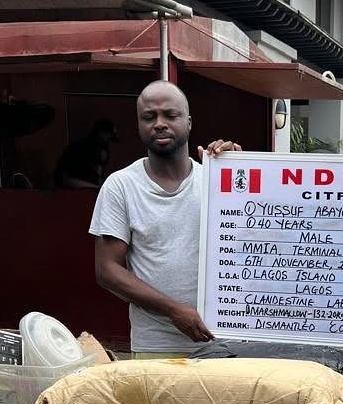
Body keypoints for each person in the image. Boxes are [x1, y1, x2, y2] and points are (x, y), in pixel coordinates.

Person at [90, 80, 240, 357]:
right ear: (139, 125)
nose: (159, 124)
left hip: (225, 343)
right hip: (156, 348)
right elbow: (107, 270)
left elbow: (255, 241)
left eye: (170, 115)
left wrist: (240, 173)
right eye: (149, 117)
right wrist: (173, 311)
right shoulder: (121, 186)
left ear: (189, 123)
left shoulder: (216, 180)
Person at [55, 118, 119, 189]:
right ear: (102, 133)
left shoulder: (100, 148)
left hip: (75, 182)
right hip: (69, 181)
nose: (108, 142)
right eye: (109, 137)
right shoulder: (85, 147)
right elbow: (67, 176)